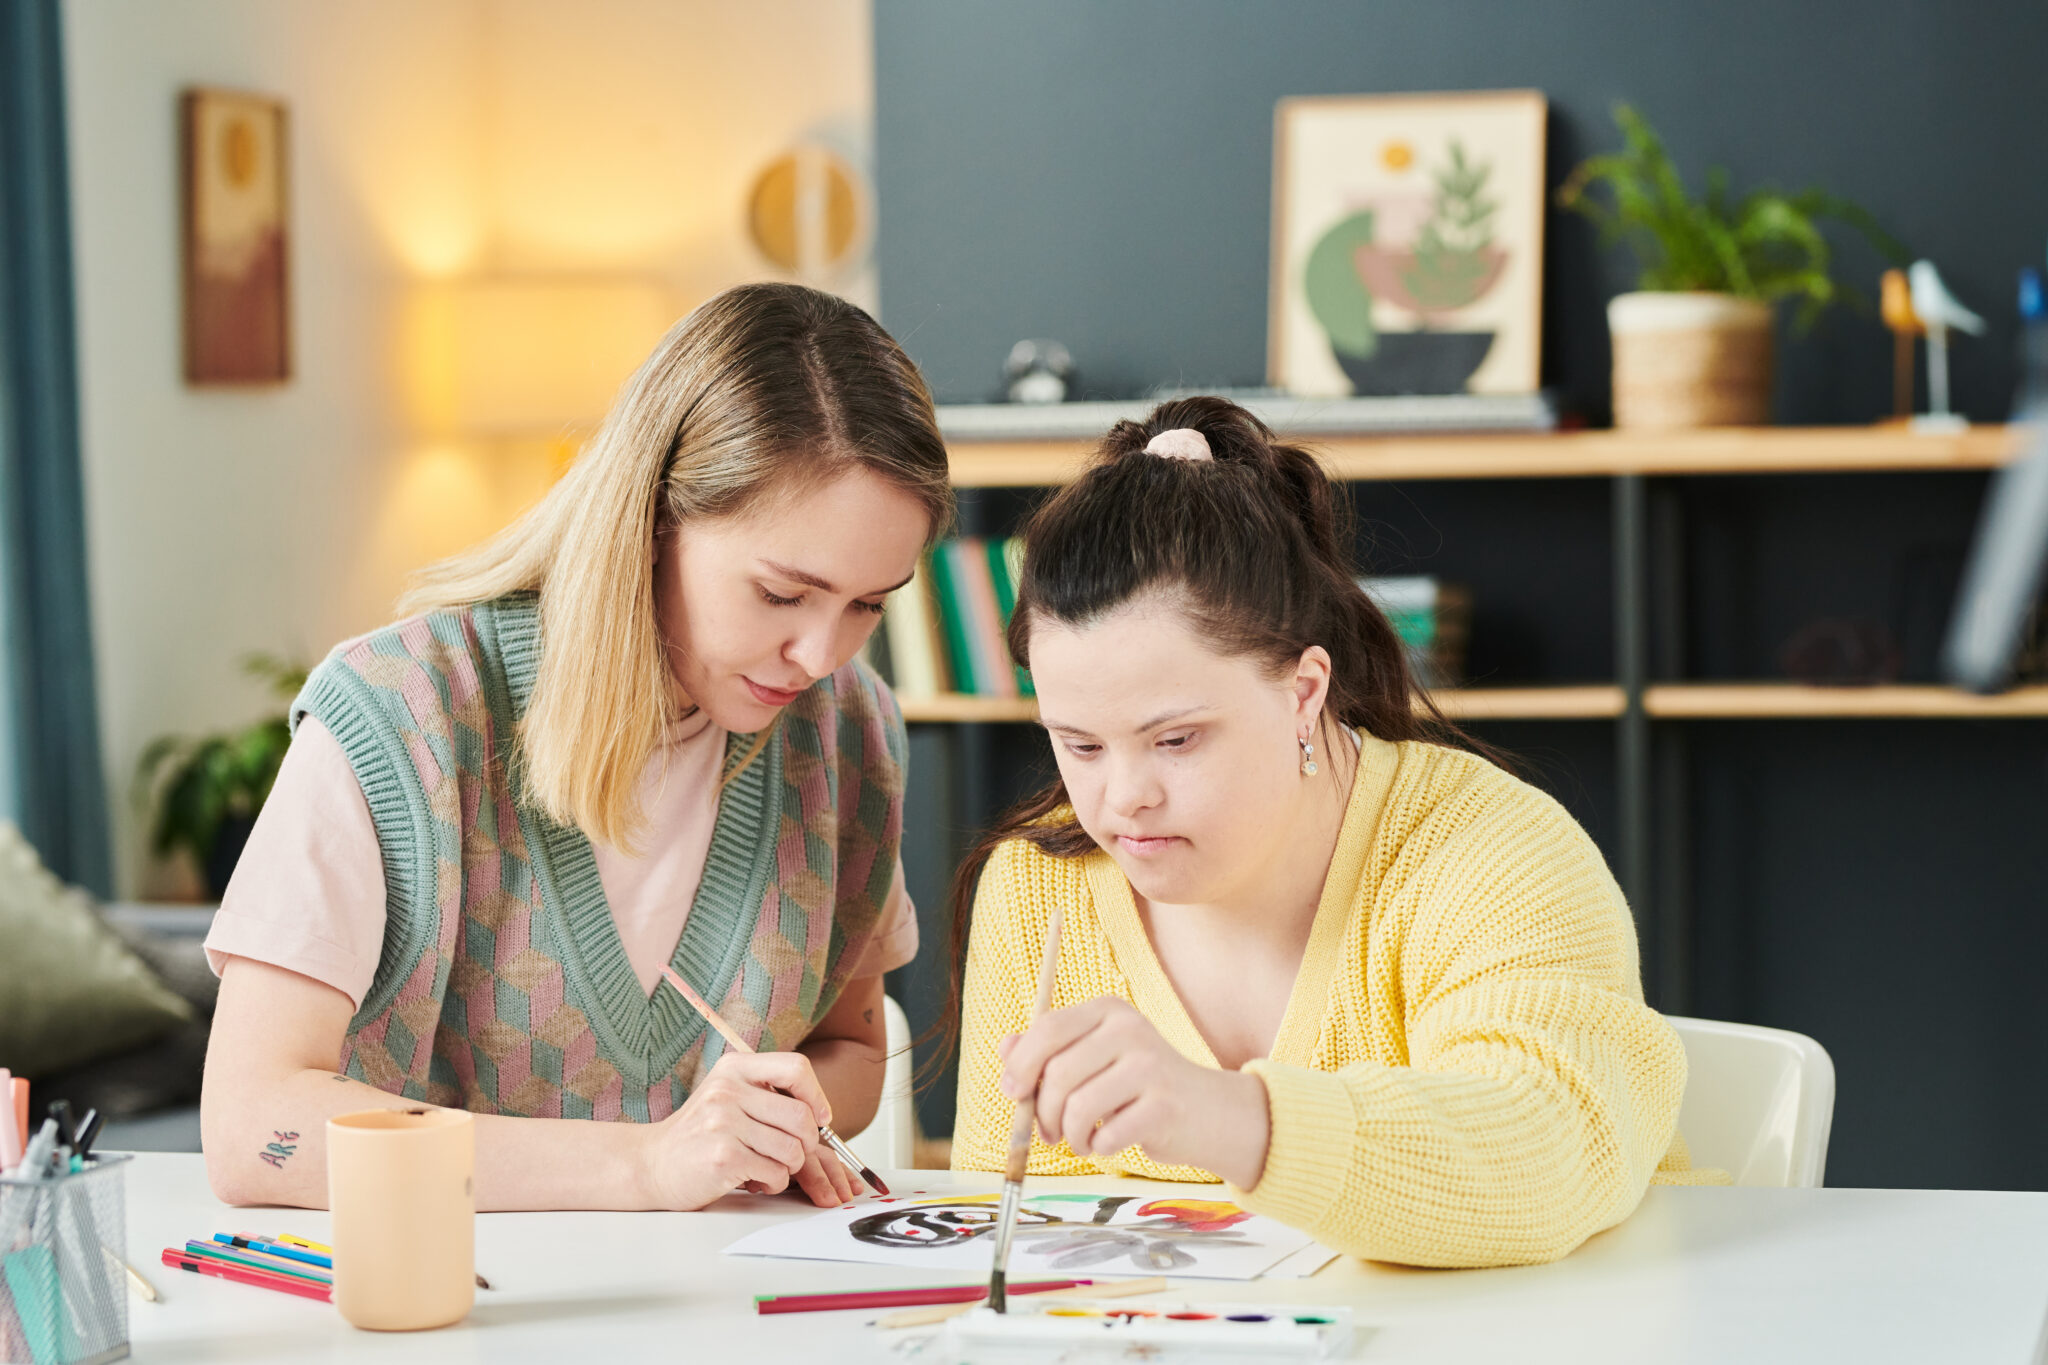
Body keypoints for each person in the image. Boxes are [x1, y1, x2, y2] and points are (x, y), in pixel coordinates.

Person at [200, 283, 951, 1212]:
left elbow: (853, 1049)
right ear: (654, 520)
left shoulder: (851, 728)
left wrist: (763, 1121)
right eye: (781, 594)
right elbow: (252, 1125)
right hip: (437, 1288)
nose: (821, 654)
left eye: (868, 603)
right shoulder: (400, 715)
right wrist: (646, 1164)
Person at [950, 395, 1721, 1269]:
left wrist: (1226, 1119)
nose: (1123, 799)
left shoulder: (1490, 847)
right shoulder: (1037, 883)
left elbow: (1548, 1145)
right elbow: (1017, 1226)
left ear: (1304, 691)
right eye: (1081, 744)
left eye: (1177, 740)